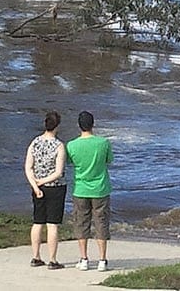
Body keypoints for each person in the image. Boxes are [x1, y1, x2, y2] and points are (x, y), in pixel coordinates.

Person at [66, 111, 114, 272]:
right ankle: (102, 259)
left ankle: (84, 258)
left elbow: (70, 162)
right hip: (100, 188)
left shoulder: (72, 145)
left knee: (81, 223)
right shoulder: (104, 143)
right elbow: (109, 160)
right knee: (101, 223)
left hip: (80, 189)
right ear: (93, 124)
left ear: (79, 126)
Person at [24, 110, 67, 270]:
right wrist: (44, 180)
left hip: (38, 189)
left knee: (37, 222)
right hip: (55, 188)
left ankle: (35, 257)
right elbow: (58, 172)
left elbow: (28, 168)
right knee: (52, 224)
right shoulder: (59, 145)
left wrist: (36, 185)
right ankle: (53, 259)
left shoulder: (34, 142)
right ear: (57, 126)